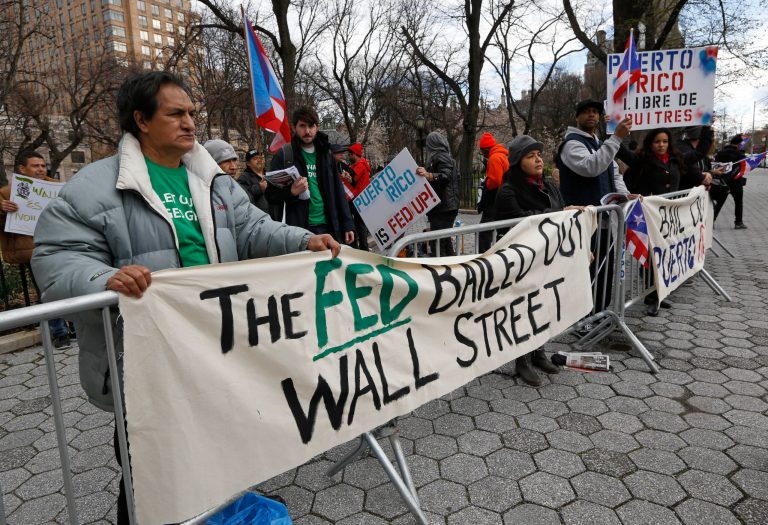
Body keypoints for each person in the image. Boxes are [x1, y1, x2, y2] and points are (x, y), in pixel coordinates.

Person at [30, 71, 340, 524]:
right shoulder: (94, 186)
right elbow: (56, 259)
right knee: (149, 478)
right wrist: (105, 278)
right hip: (146, 369)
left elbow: (253, 229)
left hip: (216, 353)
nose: (191, 123)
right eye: (176, 113)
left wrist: (300, 240)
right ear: (141, 120)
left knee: (217, 460)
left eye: (193, 113)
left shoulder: (212, 180)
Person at [495, 135, 582, 385]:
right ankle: (521, 360)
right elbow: (521, 222)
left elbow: (562, 216)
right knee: (524, 308)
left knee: (544, 304)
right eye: (530, 156)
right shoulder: (508, 190)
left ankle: (539, 352)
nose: (538, 159)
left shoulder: (549, 186)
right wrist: (556, 214)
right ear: (517, 162)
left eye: (539, 155)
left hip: (548, 258)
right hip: (523, 262)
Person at [556, 99, 632, 313]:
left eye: (595, 112)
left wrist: (625, 195)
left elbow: (613, 172)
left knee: (603, 270)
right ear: (577, 117)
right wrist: (616, 138)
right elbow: (592, 167)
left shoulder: (599, 144)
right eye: (586, 112)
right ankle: (581, 316)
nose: (592, 115)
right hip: (584, 222)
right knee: (586, 272)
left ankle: (599, 312)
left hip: (604, 220)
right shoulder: (572, 144)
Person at [0, 150, 71, 349]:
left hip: (61, 245)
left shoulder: (57, 189)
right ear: (22, 169)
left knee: (68, 286)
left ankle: (73, 326)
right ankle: (59, 332)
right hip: (33, 250)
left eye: (42, 165)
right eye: (35, 165)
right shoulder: (6, 193)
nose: (41, 169)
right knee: (46, 291)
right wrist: (2, 209)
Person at [267, 106, 355, 245]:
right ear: (294, 127)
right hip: (299, 229)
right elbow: (271, 195)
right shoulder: (284, 155)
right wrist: (292, 192)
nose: (307, 131)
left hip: (328, 225)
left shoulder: (326, 154)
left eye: (311, 126)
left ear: (317, 127)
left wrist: (347, 223)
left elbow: (338, 191)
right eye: (302, 126)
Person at [621, 128, 686, 315]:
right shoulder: (642, 161)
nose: (661, 145)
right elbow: (623, 153)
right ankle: (651, 296)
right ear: (650, 143)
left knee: (664, 255)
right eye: (657, 141)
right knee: (650, 257)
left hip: (667, 220)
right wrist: (613, 132)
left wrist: (706, 129)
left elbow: (693, 166)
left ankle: (660, 293)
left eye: (665, 141)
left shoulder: (675, 160)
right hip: (647, 216)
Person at [415, 131, 460, 256]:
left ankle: (443, 270)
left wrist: (429, 175)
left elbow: (446, 177)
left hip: (443, 208)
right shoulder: (443, 156)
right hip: (445, 206)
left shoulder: (440, 156)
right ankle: (451, 267)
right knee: (444, 241)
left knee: (438, 243)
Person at [477, 132, 509, 251]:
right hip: (503, 197)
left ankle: (483, 255)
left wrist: (486, 184)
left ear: (485, 149)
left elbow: (495, 181)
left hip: (495, 199)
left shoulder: (494, 158)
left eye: (482, 151)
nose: (482, 153)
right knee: (501, 229)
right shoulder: (503, 155)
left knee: (485, 230)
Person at [715, 134, 748, 229]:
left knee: (720, 202)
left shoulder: (720, 153)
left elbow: (716, 166)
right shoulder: (740, 154)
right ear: (739, 144)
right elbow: (741, 168)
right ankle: (738, 222)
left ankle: (711, 220)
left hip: (723, 182)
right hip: (736, 182)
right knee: (738, 202)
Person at [347, 143, 371, 250]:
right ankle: (362, 247)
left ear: (355, 154)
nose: (349, 156)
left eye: (350, 154)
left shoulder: (360, 165)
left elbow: (352, 180)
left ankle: (363, 248)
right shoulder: (357, 165)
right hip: (356, 198)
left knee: (359, 225)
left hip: (358, 199)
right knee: (358, 224)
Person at [238, 148, 270, 214]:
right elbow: (244, 197)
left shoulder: (269, 175)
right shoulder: (244, 178)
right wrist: (259, 188)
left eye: (260, 157)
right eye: (255, 159)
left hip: (274, 216)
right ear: (248, 163)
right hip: (258, 217)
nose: (259, 160)